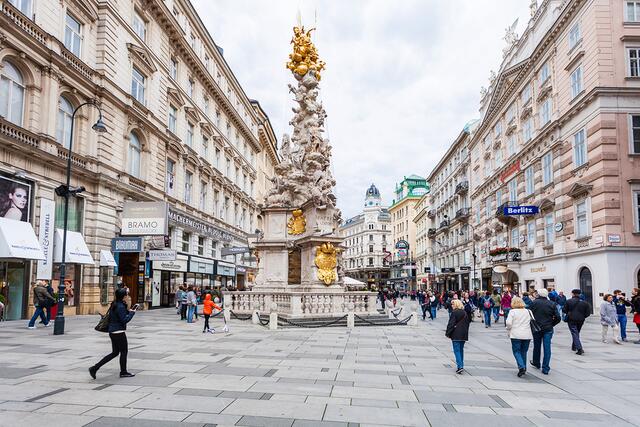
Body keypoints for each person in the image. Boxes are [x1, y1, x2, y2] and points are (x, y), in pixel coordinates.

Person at [89, 288, 137, 379]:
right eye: (126, 295)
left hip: (112, 331)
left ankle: (95, 368)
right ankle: (123, 372)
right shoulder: (120, 306)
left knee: (115, 352)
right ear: (123, 296)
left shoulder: (114, 304)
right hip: (119, 332)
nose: (127, 296)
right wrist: (132, 313)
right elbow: (124, 320)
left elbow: (117, 316)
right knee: (124, 352)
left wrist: (128, 309)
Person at [529, 288, 560, 374]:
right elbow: (558, 318)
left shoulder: (534, 303)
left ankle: (536, 362)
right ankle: (545, 368)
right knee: (547, 348)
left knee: (537, 346)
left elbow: (529, 314)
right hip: (548, 328)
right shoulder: (552, 304)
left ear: (538, 294)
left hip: (537, 328)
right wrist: (552, 324)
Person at [506, 297, 533, 377]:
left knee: (516, 351)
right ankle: (524, 368)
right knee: (524, 351)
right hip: (527, 334)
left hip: (516, 334)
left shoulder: (512, 312)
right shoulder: (528, 311)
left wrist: (508, 329)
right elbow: (533, 321)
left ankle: (521, 367)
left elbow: (508, 323)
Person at [563, 288, 591, 355]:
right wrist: (583, 316)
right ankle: (574, 346)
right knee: (576, 332)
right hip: (581, 320)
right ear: (580, 294)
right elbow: (588, 313)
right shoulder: (585, 302)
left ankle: (579, 348)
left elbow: (564, 310)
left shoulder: (569, 301)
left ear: (572, 293)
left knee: (574, 333)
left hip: (571, 319)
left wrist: (569, 313)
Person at [446, 299, 470, 374]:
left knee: (457, 351)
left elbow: (451, 324)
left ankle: (460, 366)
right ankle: (461, 364)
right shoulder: (465, 313)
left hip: (456, 334)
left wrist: (447, 333)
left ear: (456, 304)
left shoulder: (454, 312)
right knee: (461, 350)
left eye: (453, 304)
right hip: (463, 334)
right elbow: (468, 323)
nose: (452, 306)